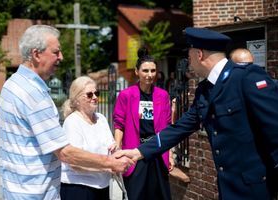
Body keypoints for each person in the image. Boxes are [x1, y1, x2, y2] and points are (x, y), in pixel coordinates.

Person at [115, 27, 278, 200]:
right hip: (227, 188)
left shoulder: (247, 78)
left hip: (256, 189)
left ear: (199, 55)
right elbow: (180, 128)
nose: (189, 62)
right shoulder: (204, 90)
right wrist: (138, 152)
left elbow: (274, 131)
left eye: (189, 56)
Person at [0, 25, 133, 200]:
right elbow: (65, 153)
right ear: (36, 54)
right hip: (34, 194)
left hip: (16, 189)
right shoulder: (33, 94)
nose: (61, 57)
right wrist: (110, 163)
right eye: (56, 52)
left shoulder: (12, 84)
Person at [113, 47, 174, 200]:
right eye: (145, 71)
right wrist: (117, 150)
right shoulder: (126, 95)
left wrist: (171, 155)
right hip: (135, 153)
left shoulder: (163, 95)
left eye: (152, 71)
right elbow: (119, 124)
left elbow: (167, 127)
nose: (149, 75)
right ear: (137, 72)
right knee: (137, 195)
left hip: (157, 153)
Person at [60, 76, 116, 200]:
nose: (95, 97)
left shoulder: (101, 118)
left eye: (96, 93)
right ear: (77, 99)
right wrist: (106, 166)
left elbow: (110, 145)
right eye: (90, 94)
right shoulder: (72, 122)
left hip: (102, 186)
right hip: (79, 188)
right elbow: (74, 163)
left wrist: (114, 149)